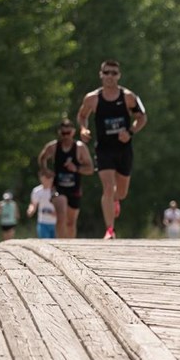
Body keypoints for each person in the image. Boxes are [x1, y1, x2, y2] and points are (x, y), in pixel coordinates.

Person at [77, 60, 148, 240]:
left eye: (114, 73)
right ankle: (110, 230)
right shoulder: (92, 98)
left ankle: (115, 200)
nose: (110, 76)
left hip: (123, 149)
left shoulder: (128, 97)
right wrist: (83, 129)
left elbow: (142, 118)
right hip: (104, 149)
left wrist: (130, 131)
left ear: (119, 75)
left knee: (121, 192)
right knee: (108, 187)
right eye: (106, 72)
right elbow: (82, 116)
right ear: (101, 74)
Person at [38, 119, 94, 238]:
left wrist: (77, 168)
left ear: (73, 132)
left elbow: (90, 169)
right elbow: (42, 157)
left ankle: (70, 245)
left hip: (74, 188)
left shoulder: (80, 148)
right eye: (63, 133)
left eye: (68, 133)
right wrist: (45, 170)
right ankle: (61, 244)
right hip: (58, 187)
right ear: (59, 133)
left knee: (71, 222)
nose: (66, 136)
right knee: (61, 216)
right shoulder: (53, 147)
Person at [27, 171, 58, 239]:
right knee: (45, 243)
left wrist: (58, 213)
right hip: (43, 222)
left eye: (49, 177)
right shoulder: (37, 191)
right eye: (44, 177)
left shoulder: (57, 191)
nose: (47, 179)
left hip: (56, 223)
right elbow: (33, 204)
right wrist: (30, 210)